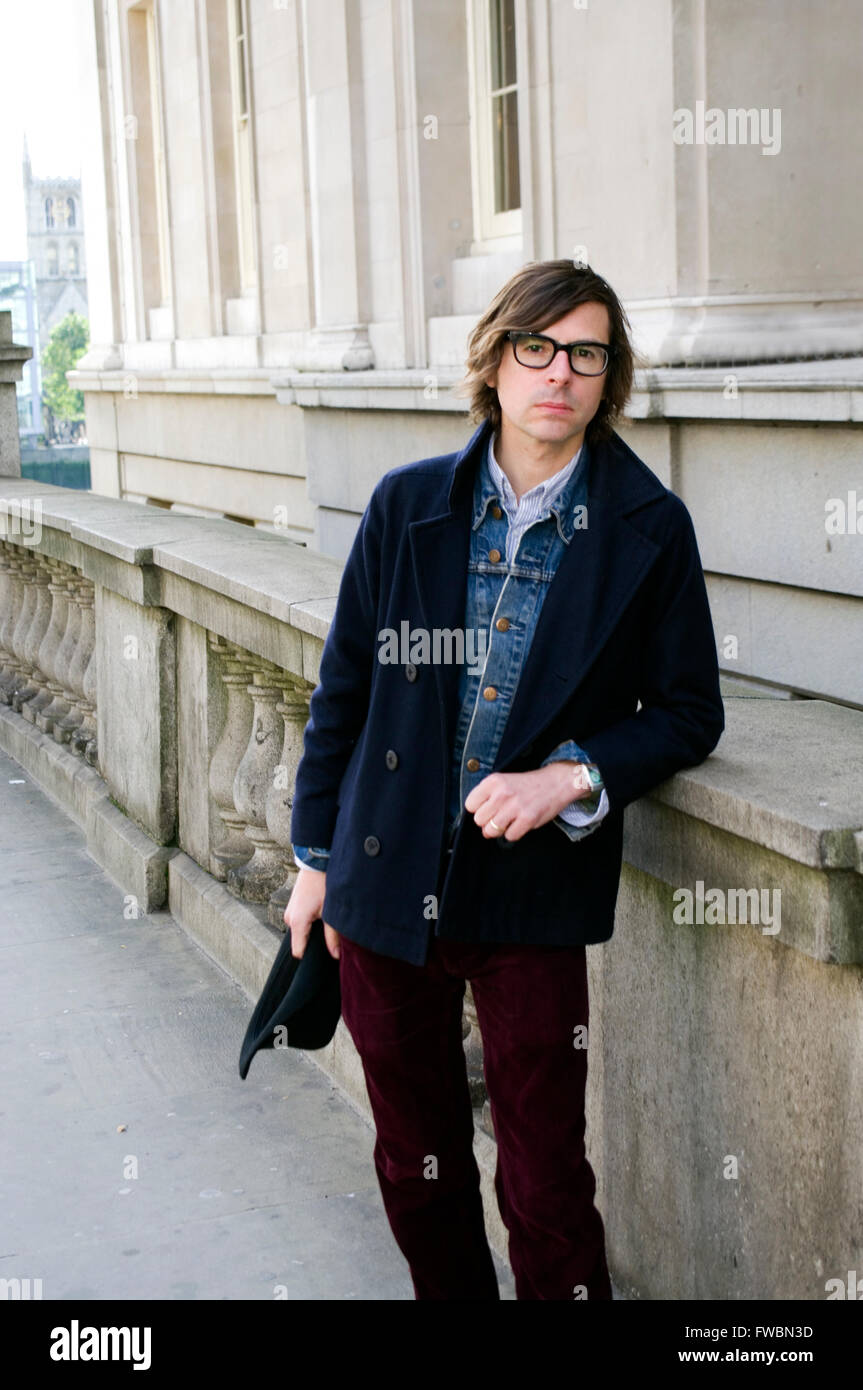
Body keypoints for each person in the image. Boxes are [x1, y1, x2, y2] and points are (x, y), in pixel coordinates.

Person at [286, 259, 724, 1300]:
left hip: (527, 898)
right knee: (414, 1162)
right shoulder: (405, 508)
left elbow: (687, 711)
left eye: (583, 353)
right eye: (535, 346)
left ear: (607, 376)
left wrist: (567, 776)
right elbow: (341, 690)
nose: (557, 373)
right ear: (494, 360)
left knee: (542, 1180)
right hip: (384, 881)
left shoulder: (646, 528)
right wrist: (315, 858)